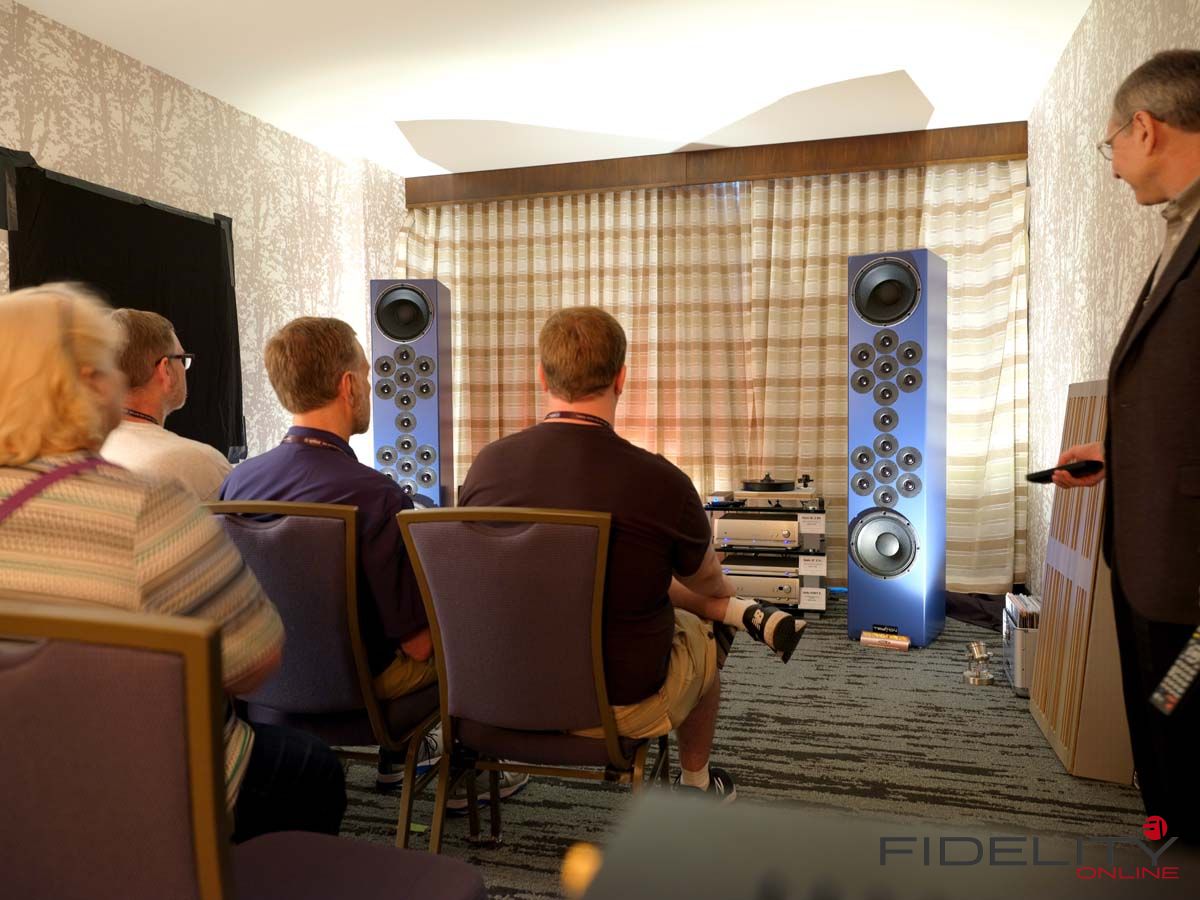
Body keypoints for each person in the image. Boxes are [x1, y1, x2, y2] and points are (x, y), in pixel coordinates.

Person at [0, 283, 346, 843]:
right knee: (313, 769)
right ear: (85, 383)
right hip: (136, 783)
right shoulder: (146, 503)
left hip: (20, 789)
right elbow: (255, 660)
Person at [458, 306, 806, 801]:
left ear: (542, 377)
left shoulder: (487, 465)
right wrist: (724, 602)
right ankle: (696, 784)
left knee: (631, 578)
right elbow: (709, 583)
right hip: (615, 706)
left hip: (496, 692)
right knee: (700, 632)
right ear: (622, 378)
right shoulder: (661, 482)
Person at [219, 316, 528, 805]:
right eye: (366, 374)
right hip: (362, 692)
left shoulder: (236, 484)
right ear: (348, 386)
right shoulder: (375, 496)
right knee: (463, 640)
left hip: (264, 683)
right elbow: (419, 646)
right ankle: (455, 775)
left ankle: (398, 761)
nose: (368, 386)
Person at [1055, 50, 1200, 843]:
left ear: (1144, 128)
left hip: (1188, 570)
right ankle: (1169, 838)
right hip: (1151, 553)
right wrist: (1121, 453)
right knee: (1166, 730)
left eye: (1110, 142)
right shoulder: (1180, 229)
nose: (1111, 164)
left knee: (1187, 722)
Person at [100, 308, 232, 500]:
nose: (185, 369)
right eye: (182, 359)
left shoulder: (78, 454)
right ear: (166, 371)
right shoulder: (199, 462)